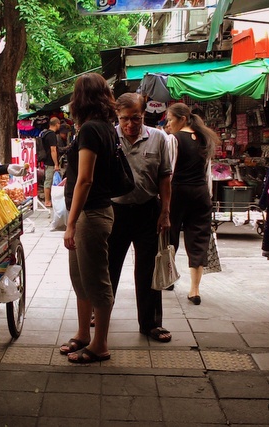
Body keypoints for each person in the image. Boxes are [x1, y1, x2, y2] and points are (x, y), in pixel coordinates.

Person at [107, 92, 173, 342]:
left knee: (148, 269)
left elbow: (165, 176)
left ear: (144, 114)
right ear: (117, 116)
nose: (130, 124)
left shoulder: (158, 137)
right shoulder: (109, 136)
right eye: (124, 119)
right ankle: (100, 313)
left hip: (148, 211)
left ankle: (150, 323)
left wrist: (165, 212)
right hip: (115, 212)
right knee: (109, 266)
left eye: (135, 118)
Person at [60, 73, 116, 363]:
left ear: (80, 99)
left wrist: (70, 223)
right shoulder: (102, 127)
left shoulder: (92, 130)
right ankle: (83, 334)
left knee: (96, 281)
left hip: (90, 215)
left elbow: (86, 179)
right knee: (80, 279)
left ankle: (99, 345)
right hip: (88, 213)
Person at [165, 102, 217, 305]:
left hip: (178, 192)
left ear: (182, 119)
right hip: (200, 193)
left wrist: (163, 199)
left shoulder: (173, 139)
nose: (168, 124)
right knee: (198, 239)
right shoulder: (204, 138)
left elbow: (168, 170)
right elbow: (207, 172)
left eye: (170, 120)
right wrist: (208, 196)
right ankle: (195, 290)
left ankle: (169, 278)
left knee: (170, 235)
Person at [41, 117, 61, 207]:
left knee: (49, 180)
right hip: (50, 162)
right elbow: (53, 150)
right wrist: (56, 163)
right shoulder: (52, 135)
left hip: (46, 160)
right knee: (49, 181)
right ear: (57, 124)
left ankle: (49, 199)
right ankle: (47, 200)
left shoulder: (45, 133)